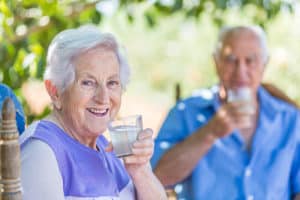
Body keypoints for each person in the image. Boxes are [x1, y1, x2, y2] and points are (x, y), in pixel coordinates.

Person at [151, 25, 300, 199]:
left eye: (250, 60)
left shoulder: (290, 118)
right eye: (230, 59)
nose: (240, 71)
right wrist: (210, 132)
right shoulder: (186, 113)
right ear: (216, 62)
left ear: (264, 64)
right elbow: (156, 178)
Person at [20, 25, 167, 200]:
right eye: (88, 83)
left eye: (112, 83)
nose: (103, 98)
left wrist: (140, 170)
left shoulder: (114, 151)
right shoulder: (41, 151)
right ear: (55, 91)